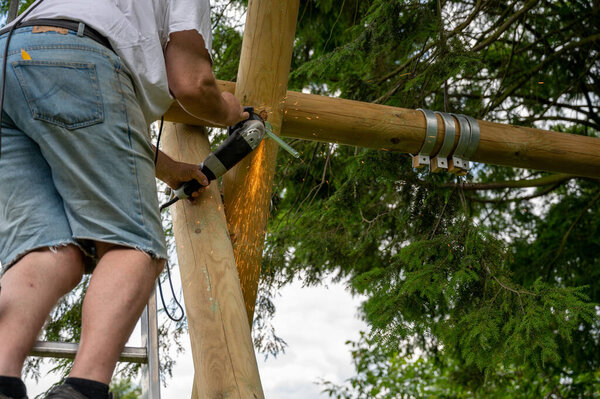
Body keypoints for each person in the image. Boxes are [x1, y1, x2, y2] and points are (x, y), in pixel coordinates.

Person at [0, 0, 247, 398]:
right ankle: (83, 390)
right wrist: (230, 111)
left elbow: (90, 119)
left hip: (10, 57)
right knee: (133, 244)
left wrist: (167, 168)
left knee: (48, 250)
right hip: (77, 57)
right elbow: (191, 83)